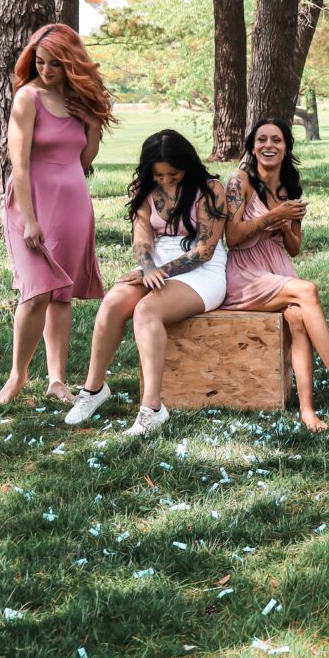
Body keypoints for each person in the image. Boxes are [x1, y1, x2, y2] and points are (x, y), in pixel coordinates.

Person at [64, 130, 229, 437]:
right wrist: (148, 266)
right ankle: (94, 388)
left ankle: (152, 409)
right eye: (159, 174)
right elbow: (142, 236)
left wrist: (160, 272)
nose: (165, 180)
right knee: (114, 301)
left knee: (147, 310)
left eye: (173, 174)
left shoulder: (210, 189)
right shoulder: (145, 188)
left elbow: (204, 251)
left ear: (187, 165)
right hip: (156, 265)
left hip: (202, 270)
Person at [221, 119, 329, 431]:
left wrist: (286, 224)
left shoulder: (290, 189)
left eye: (276, 140)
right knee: (307, 291)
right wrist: (273, 216)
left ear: (286, 147)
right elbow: (232, 236)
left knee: (296, 317)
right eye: (261, 139)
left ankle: (307, 411)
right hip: (245, 273)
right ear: (252, 147)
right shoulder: (240, 181)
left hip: (278, 268)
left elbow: (294, 248)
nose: (268, 145)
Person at [0, 24, 116, 405]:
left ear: (70, 65)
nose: (45, 70)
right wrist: (29, 218)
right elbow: (19, 165)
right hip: (32, 204)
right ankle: (18, 376)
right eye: (41, 62)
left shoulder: (76, 100)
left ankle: (57, 379)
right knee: (36, 293)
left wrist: (94, 125)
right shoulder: (26, 98)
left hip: (73, 205)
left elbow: (82, 161)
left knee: (61, 295)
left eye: (54, 65)